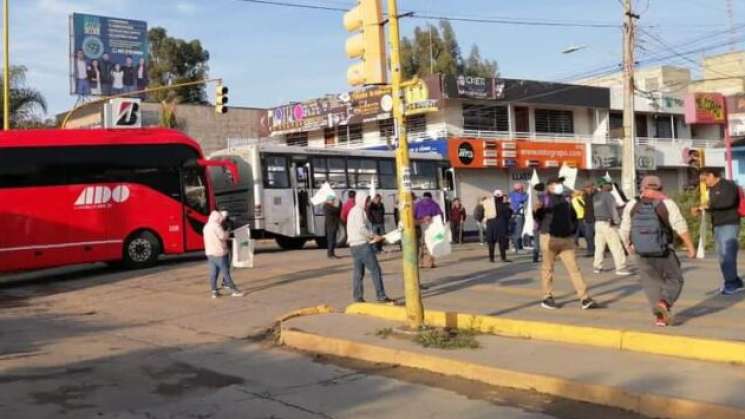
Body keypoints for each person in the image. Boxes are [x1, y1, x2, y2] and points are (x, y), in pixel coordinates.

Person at [620, 176, 695, 326]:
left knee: (651, 284)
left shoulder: (633, 204)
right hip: (663, 250)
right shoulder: (666, 203)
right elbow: (680, 225)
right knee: (675, 278)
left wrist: (629, 246)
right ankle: (664, 304)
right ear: (660, 188)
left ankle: (660, 318)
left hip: (641, 252)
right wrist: (690, 247)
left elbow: (624, 229)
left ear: (642, 188)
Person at [534, 177, 597, 310]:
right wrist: (538, 209)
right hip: (549, 237)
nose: (560, 186)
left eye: (560, 183)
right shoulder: (544, 199)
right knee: (548, 269)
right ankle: (547, 297)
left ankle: (584, 298)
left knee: (574, 269)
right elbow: (538, 215)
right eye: (557, 183)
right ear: (550, 186)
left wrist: (571, 231)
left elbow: (573, 217)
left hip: (566, 240)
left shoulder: (566, 199)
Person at [695, 168, 743, 294]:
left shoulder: (728, 185)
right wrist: (702, 209)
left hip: (730, 223)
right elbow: (713, 204)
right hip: (717, 224)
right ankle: (734, 281)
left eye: (705, 180)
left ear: (711, 175)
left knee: (727, 255)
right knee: (721, 255)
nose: (705, 183)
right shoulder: (712, 189)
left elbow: (728, 202)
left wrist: (708, 206)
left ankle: (732, 284)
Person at [347, 191, 394, 303]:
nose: (368, 203)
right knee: (375, 270)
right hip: (362, 245)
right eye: (367, 200)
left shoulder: (354, 211)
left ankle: (358, 297)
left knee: (358, 273)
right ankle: (381, 296)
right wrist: (374, 236)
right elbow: (361, 229)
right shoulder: (358, 211)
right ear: (362, 200)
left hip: (354, 246)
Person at [593, 179, 630, 276]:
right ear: (604, 185)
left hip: (598, 223)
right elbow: (613, 210)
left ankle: (597, 266)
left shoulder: (596, 197)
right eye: (609, 184)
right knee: (616, 246)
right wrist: (617, 222)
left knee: (599, 247)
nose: (611, 185)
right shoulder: (609, 195)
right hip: (608, 224)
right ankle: (621, 268)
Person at [203, 211, 244, 299]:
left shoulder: (206, 227)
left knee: (213, 273)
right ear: (217, 218)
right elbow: (223, 237)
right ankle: (234, 290)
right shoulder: (216, 226)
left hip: (210, 253)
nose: (221, 221)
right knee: (225, 272)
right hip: (219, 252)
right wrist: (228, 231)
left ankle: (214, 292)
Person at [414, 191, 443, 268]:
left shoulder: (417, 205)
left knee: (421, 245)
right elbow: (439, 216)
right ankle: (431, 263)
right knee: (432, 244)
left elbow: (413, 216)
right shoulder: (435, 204)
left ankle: (420, 263)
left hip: (421, 225)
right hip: (432, 226)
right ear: (431, 197)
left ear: (423, 196)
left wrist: (421, 220)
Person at [485, 190, 513, 263]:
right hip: (501, 226)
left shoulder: (488, 205)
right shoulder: (505, 206)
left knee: (491, 242)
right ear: (501, 197)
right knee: (502, 242)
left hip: (491, 226)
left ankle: (491, 258)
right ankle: (503, 258)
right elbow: (508, 216)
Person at [509, 183, 529, 253]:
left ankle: (515, 247)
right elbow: (523, 198)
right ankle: (518, 248)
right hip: (518, 215)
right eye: (522, 189)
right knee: (518, 232)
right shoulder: (516, 195)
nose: (523, 190)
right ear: (519, 189)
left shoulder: (512, 194)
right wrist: (527, 194)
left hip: (516, 215)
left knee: (515, 232)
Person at [580, 181, 597, 257]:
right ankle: (590, 251)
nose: (587, 189)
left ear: (592, 187)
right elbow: (584, 207)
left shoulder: (597, 195)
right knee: (588, 236)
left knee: (597, 237)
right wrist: (584, 217)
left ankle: (598, 252)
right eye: (586, 188)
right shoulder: (584, 196)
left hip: (596, 218)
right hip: (587, 219)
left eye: (588, 187)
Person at [532, 183, 546, 263]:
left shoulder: (535, 198)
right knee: (545, 242)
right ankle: (546, 257)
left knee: (536, 242)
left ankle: (535, 257)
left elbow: (534, 212)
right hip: (544, 224)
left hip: (537, 224)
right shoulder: (546, 198)